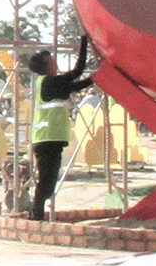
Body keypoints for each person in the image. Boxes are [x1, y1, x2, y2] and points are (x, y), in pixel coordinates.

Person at [25, 37, 102, 221]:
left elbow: (77, 71)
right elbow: (77, 83)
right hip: (47, 140)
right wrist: (99, 76)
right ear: (46, 65)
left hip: (51, 139)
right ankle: (35, 216)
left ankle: (36, 214)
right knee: (47, 181)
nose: (55, 62)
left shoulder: (50, 81)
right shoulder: (49, 83)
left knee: (49, 181)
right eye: (51, 60)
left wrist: (84, 42)